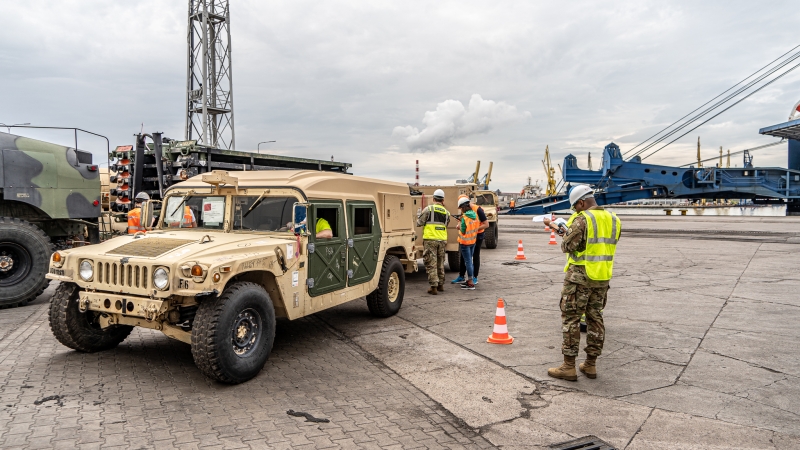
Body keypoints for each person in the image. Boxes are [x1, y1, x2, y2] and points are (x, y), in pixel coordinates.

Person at [544, 185, 621, 381]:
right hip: (602, 277)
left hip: (580, 276)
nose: (575, 211)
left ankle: (568, 367)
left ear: (581, 202)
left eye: (575, 207)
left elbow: (568, 246)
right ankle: (590, 365)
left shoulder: (582, 219)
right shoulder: (614, 220)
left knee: (571, 318)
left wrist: (562, 231)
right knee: (595, 318)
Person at [416, 189, 450, 295]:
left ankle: (433, 287)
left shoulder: (428, 209)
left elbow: (419, 223)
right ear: (443, 199)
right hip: (442, 240)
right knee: (440, 263)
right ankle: (441, 285)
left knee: (431, 263)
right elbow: (445, 225)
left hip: (430, 239)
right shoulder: (446, 212)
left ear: (433, 198)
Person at [452, 195, 489, 285]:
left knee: (475, 256)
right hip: (469, 236)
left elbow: (486, 224)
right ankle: (461, 276)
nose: (461, 209)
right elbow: (463, 221)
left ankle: (474, 277)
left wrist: (475, 229)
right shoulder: (465, 211)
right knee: (464, 257)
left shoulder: (478, 210)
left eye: (461, 207)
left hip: (477, 236)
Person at [456, 196, 479, 290]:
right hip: (473, 241)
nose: (461, 210)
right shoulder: (475, 215)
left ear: (463, 207)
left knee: (468, 262)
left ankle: (470, 282)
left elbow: (463, 231)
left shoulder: (465, 218)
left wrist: (458, 226)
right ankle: (471, 280)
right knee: (470, 261)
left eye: (461, 208)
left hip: (465, 243)